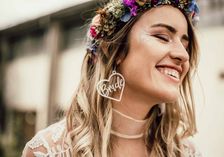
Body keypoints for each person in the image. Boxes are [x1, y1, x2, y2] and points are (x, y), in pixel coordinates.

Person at [22, 0, 202, 157]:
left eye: (185, 45)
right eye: (162, 37)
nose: (183, 55)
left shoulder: (187, 153)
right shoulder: (49, 151)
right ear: (112, 49)